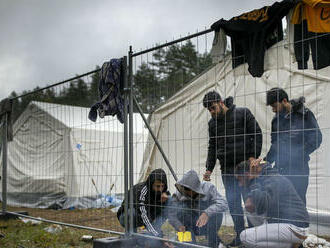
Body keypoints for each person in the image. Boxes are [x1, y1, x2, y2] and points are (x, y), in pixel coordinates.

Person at [202, 90, 262, 246]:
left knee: (250, 201)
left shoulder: (243, 113)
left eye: (213, 108)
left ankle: (255, 236)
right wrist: (209, 168)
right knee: (233, 203)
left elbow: (257, 134)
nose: (212, 112)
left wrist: (253, 157)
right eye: (209, 110)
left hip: (245, 168)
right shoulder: (212, 124)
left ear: (221, 102)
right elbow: (212, 146)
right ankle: (241, 236)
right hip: (227, 169)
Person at [235, 158, 309, 248]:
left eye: (239, 179)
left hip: (296, 227)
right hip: (282, 222)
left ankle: (289, 245)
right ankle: (290, 245)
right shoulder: (264, 178)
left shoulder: (273, 179)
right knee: (248, 209)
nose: (240, 184)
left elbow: (262, 204)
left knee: (245, 236)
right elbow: (252, 205)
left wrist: (252, 180)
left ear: (247, 174)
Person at [265, 87, 322, 204]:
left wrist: (298, 153)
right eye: (272, 107)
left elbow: (317, 138)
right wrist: (267, 161)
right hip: (280, 168)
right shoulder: (275, 121)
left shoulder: (304, 115)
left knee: (298, 201)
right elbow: (275, 144)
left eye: (275, 106)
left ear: (284, 101)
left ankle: (300, 223)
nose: (273, 110)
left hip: (299, 168)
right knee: (281, 202)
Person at [168, 170, 228, 248]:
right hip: (191, 224)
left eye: (190, 190)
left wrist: (207, 213)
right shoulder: (179, 193)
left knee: (216, 212)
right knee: (181, 210)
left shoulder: (208, 187)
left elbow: (223, 203)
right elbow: (171, 213)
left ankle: (214, 242)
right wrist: (178, 225)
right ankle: (190, 243)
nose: (188, 193)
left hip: (208, 223)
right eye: (186, 190)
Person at [117, 168, 172, 247]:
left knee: (167, 205)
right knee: (131, 212)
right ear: (151, 184)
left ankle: (152, 234)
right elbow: (144, 216)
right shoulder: (141, 192)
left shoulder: (164, 193)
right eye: (157, 186)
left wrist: (163, 202)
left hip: (146, 215)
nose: (160, 189)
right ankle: (131, 238)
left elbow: (171, 208)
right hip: (126, 216)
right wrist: (161, 237)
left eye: (162, 186)